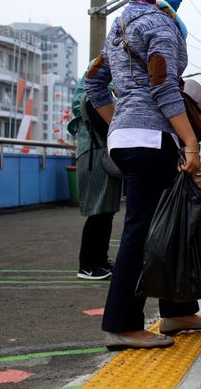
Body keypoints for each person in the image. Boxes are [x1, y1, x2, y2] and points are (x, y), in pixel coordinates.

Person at [86, 0, 201, 350]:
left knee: (164, 227)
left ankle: (177, 312)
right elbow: (163, 88)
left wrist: (121, 124)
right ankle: (123, 324)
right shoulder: (160, 23)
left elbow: (93, 87)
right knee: (142, 234)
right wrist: (191, 142)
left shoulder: (120, 24)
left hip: (128, 139)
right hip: (151, 139)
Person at [68, 72, 121, 281]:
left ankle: (100, 261)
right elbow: (105, 126)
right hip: (95, 155)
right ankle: (88, 265)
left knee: (105, 211)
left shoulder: (95, 96)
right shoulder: (94, 97)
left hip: (97, 154)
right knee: (98, 211)